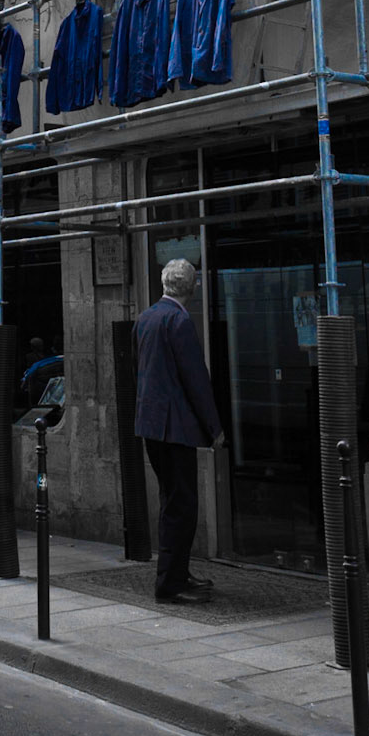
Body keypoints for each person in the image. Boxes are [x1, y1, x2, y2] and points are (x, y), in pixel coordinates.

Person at [134, 258, 222, 602]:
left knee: (172, 500)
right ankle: (171, 584)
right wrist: (214, 428)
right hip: (175, 429)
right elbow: (195, 379)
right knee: (181, 505)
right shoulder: (179, 321)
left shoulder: (145, 318)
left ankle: (178, 572)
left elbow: (138, 372)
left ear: (164, 283)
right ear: (191, 287)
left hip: (152, 426)